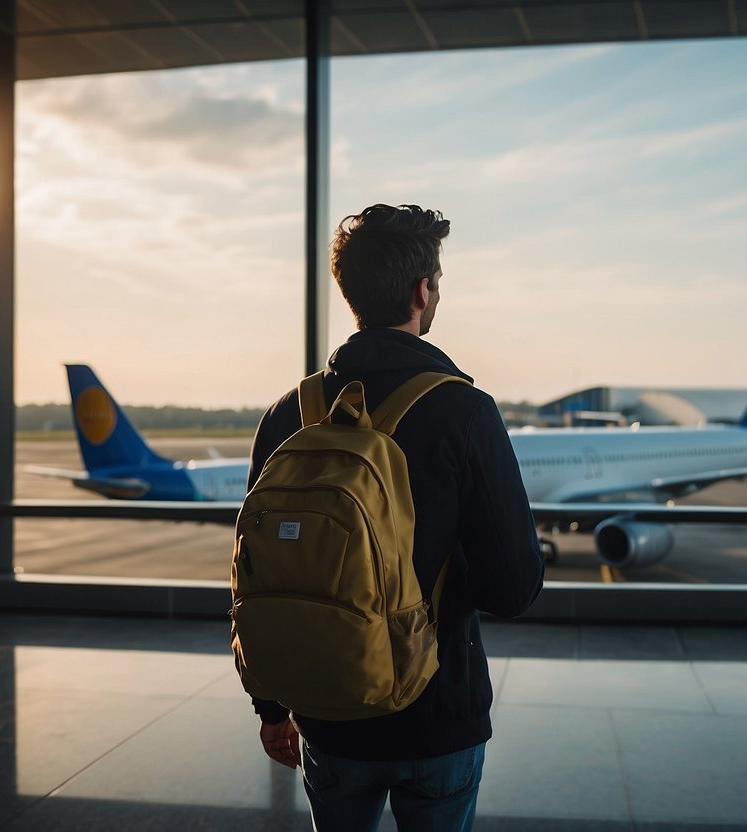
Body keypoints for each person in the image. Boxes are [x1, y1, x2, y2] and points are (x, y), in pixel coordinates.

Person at [243, 203, 545, 831]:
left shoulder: (287, 414)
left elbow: (262, 575)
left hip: (326, 709)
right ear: (421, 289)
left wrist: (272, 708)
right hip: (437, 711)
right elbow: (514, 589)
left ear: (350, 293)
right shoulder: (464, 410)